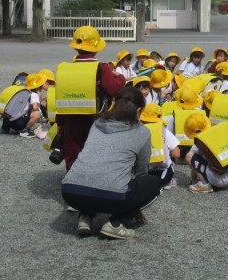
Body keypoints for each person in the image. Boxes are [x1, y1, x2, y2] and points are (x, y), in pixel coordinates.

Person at [61, 86, 162, 240]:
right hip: (112, 197)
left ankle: (85, 216)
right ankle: (116, 223)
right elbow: (141, 171)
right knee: (154, 182)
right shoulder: (142, 131)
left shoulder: (97, 124)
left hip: (70, 192)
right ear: (138, 111)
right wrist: (134, 206)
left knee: (94, 172)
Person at [58, 26, 125, 171]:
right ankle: (92, 178)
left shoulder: (65, 68)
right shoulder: (102, 68)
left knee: (73, 150)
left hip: (71, 117)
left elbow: (60, 96)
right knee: (95, 148)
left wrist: (60, 124)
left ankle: (72, 178)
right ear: (96, 49)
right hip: (95, 117)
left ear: (76, 47)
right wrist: (120, 78)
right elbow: (113, 89)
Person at [184, 113, 228, 193]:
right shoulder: (219, 131)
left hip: (217, 179)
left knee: (189, 156)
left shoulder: (199, 142)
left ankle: (205, 184)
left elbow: (192, 159)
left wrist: (194, 178)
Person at [139, 103, 180, 189]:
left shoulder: (136, 132)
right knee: (172, 155)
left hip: (140, 175)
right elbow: (176, 154)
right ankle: (169, 181)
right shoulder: (166, 133)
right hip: (162, 177)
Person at [13, 73, 46, 138]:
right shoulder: (34, 94)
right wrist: (39, 100)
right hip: (19, 123)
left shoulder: (23, 91)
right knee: (37, 114)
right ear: (38, 86)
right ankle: (25, 131)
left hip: (11, 121)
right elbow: (35, 107)